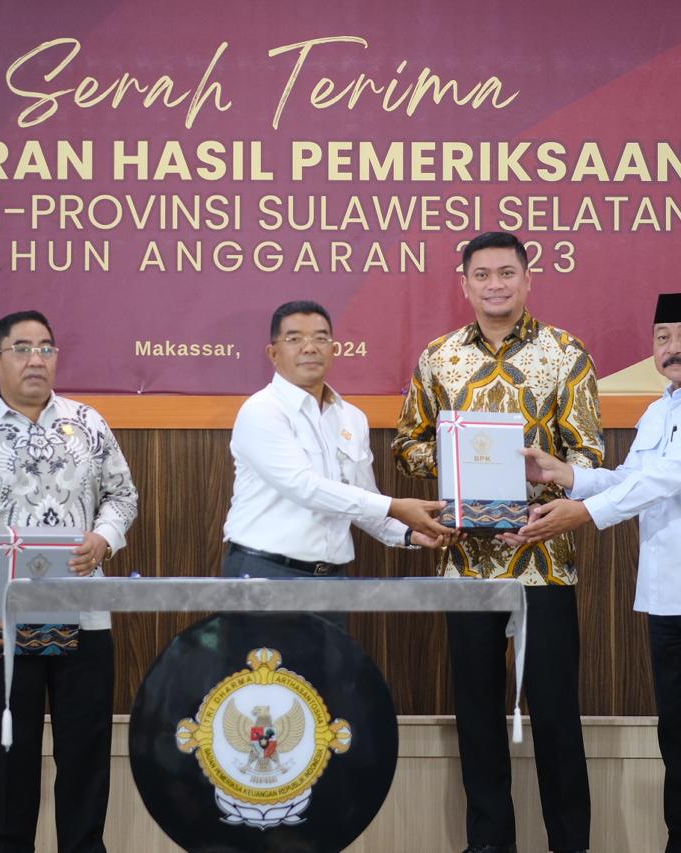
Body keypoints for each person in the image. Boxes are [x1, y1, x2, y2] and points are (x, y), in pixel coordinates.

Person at [519, 292, 681, 853]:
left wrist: (584, 513)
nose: (673, 347)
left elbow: (665, 479)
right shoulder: (659, 411)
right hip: (666, 599)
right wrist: (567, 476)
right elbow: (631, 478)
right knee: (680, 739)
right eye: (662, 337)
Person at [393, 232, 601, 853]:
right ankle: (488, 845)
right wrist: (458, 458)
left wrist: (545, 479)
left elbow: (589, 455)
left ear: (527, 278)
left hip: (544, 557)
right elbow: (405, 447)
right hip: (464, 563)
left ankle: (572, 845)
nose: (495, 285)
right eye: (481, 275)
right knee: (477, 717)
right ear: (464, 284)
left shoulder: (566, 353)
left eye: (507, 272)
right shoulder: (439, 357)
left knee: (557, 715)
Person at [0, 309, 138, 853]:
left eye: (46, 348)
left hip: (84, 614)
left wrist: (103, 538)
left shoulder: (89, 423)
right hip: (2, 619)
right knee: (9, 758)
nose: (36, 360)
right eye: (22, 348)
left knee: (85, 755)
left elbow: (123, 496)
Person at [222, 300, 455, 616]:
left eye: (320, 338)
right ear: (273, 353)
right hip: (265, 572)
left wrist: (410, 533)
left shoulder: (351, 418)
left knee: (329, 654)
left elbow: (361, 499)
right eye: (294, 338)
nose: (309, 347)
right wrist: (395, 506)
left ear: (333, 349)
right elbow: (305, 488)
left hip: (332, 580)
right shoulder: (261, 411)